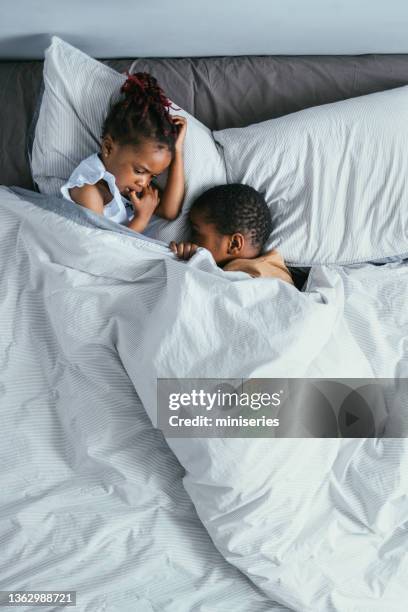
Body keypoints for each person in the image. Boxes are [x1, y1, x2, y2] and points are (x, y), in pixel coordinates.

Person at [61, 72, 187, 233]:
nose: (144, 183)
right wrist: (141, 219)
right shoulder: (89, 190)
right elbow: (102, 249)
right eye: (140, 171)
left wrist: (178, 150)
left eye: (152, 176)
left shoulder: (126, 185)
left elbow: (169, 211)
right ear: (108, 148)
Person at [170, 184, 294, 285]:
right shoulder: (276, 269)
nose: (190, 241)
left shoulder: (247, 277)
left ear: (234, 244)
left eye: (196, 233)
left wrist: (193, 264)